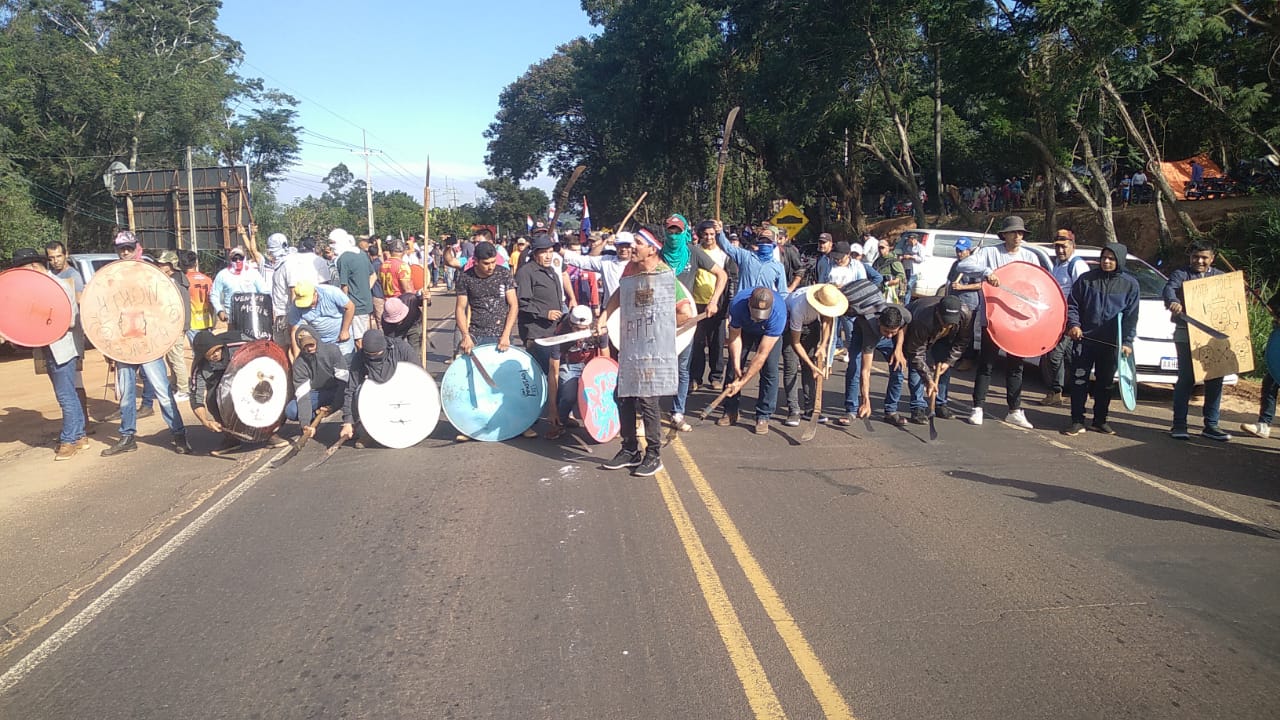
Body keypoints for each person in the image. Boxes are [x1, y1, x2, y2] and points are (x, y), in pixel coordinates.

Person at [599, 226, 693, 476]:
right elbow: (621, 293)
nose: (633, 247)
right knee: (623, 395)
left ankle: (653, 454)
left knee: (648, 401)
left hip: (652, 349)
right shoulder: (630, 269)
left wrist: (660, 328)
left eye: (638, 243)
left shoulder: (664, 276)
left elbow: (685, 312)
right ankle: (630, 448)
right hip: (631, 343)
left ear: (653, 249)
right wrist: (604, 316)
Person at [955, 215, 1048, 428]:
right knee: (987, 363)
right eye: (1014, 232)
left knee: (1016, 366)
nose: (1018, 236)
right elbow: (964, 265)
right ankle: (977, 407)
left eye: (1021, 232)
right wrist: (987, 272)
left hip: (1018, 321)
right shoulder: (990, 252)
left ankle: (1015, 410)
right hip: (994, 319)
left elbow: (1037, 284)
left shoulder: (1030, 257)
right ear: (1004, 234)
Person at [9, 249, 88, 460]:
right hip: (48, 349)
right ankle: (80, 436)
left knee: (65, 396)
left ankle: (68, 440)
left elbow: (70, 321)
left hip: (64, 348)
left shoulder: (61, 287)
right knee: (68, 392)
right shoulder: (32, 291)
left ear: (34, 266)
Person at [1062, 243, 1140, 436]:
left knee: (1105, 384)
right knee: (1079, 381)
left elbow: (1131, 316)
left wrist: (1128, 342)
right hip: (1084, 341)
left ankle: (1100, 420)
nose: (1106, 261)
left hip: (1112, 344)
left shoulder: (1130, 284)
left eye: (1111, 259)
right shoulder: (1086, 280)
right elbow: (1073, 304)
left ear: (1119, 260)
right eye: (1104, 257)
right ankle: (1077, 420)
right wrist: (1074, 325)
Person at [661, 213, 727, 432]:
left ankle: (677, 412)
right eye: (670, 230)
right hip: (659, 319)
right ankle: (648, 412)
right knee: (657, 365)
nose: (673, 234)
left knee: (682, 367)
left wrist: (714, 301)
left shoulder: (693, 253)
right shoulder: (658, 255)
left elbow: (722, 275)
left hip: (686, 319)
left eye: (677, 231)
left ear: (685, 232)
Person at [1163, 240, 1231, 441]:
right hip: (1186, 333)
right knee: (1187, 379)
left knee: (1215, 379)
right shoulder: (1180, 275)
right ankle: (1179, 425)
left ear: (1212, 258)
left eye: (1204, 257)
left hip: (1213, 337)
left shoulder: (1220, 277)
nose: (1199, 261)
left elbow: (1230, 300)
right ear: (1190, 257)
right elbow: (1168, 290)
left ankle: (1211, 425)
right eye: (1195, 257)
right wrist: (1174, 302)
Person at [188, 330, 289, 456]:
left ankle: (269, 434)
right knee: (211, 399)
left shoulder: (240, 345)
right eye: (210, 354)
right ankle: (232, 438)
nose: (215, 354)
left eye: (217, 350)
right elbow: (195, 398)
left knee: (259, 394)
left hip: (248, 374)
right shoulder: (199, 368)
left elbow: (263, 349)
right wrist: (205, 421)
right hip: (219, 384)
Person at [719, 287, 788, 434]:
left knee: (770, 369)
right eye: (755, 312)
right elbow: (734, 337)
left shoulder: (779, 313)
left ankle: (763, 415)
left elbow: (761, 354)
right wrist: (737, 365)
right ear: (749, 302)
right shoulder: (737, 304)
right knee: (733, 368)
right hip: (745, 331)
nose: (757, 317)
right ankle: (730, 410)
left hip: (767, 333)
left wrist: (743, 382)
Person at [338, 328, 420, 447]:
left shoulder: (402, 349)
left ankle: (407, 424)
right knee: (358, 392)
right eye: (369, 355)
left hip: (401, 389)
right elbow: (350, 389)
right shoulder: (359, 357)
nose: (373, 357)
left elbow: (418, 378)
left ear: (384, 347)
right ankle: (368, 431)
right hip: (376, 391)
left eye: (377, 354)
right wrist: (348, 421)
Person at [781, 283, 849, 426]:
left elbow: (827, 320)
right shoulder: (799, 308)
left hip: (812, 325)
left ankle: (810, 409)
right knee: (791, 368)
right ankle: (793, 410)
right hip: (790, 327)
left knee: (809, 369)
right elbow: (795, 342)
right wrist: (812, 365)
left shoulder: (827, 296)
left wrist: (823, 345)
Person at [43, 241, 94, 428]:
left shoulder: (72, 275)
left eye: (59, 256)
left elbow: (79, 300)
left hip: (71, 335)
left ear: (66, 254)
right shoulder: (51, 276)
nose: (56, 261)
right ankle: (80, 424)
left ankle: (82, 424)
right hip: (55, 335)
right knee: (70, 382)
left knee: (74, 381)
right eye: (52, 258)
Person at [1041, 229, 1091, 406]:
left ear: (1073, 246)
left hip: (1070, 319)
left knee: (1054, 355)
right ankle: (1076, 391)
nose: (1060, 250)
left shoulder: (1077, 265)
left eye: (1064, 246)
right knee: (1070, 357)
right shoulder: (1058, 265)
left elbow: (1083, 295)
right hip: (1057, 318)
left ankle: (1056, 392)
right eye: (1057, 247)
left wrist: (1075, 321)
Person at [841, 302, 911, 427]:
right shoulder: (871, 328)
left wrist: (898, 348)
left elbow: (902, 327)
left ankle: (891, 411)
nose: (890, 335)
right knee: (855, 368)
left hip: (885, 335)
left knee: (898, 367)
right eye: (886, 331)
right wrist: (866, 400)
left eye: (892, 332)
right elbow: (866, 371)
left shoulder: (905, 315)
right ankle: (851, 411)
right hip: (861, 334)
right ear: (879, 322)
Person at [903, 295, 972, 422]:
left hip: (944, 338)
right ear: (938, 313)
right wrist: (929, 379)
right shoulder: (922, 318)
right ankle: (918, 407)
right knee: (916, 368)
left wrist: (949, 361)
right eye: (945, 320)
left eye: (951, 322)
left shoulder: (965, 314)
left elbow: (962, 341)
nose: (948, 324)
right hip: (918, 334)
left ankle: (940, 404)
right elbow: (916, 354)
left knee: (944, 368)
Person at [545, 305, 607, 440]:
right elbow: (553, 372)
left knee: (596, 395)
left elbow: (606, 360)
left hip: (591, 365)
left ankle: (600, 423)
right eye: (576, 329)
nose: (579, 333)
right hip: (569, 365)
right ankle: (560, 421)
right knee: (569, 396)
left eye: (583, 329)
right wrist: (552, 408)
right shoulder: (560, 334)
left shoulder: (599, 330)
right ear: (570, 324)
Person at [691, 221, 735, 391]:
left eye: (712, 234)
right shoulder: (694, 252)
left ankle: (716, 376)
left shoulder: (724, 253)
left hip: (718, 304)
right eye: (705, 234)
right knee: (697, 343)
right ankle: (696, 377)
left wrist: (723, 303)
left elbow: (729, 278)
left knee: (717, 342)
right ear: (700, 235)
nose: (709, 237)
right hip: (697, 303)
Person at [516, 232, 567, 374]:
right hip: (536, 333)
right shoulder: (526, 272)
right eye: (544, 252)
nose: (549, 256)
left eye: (550, 252)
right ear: (534, 253)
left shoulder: (550, 270)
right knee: (543, 373)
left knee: (553, 372)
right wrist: (545, 313)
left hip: (553, 331)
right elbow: (521, 302)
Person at [455, 240, 518, 356]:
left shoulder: (504, 274)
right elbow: (460, 308)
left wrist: (506, 334)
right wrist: (465, 336)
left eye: (493, 262)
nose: (491, 267)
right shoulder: (465, 278)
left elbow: (513, 304)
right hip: (476, 335)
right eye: (486, 263)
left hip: (502, 335)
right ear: (476, 261)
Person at [287, 324, 349, 436]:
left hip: (337, 389)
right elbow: (303, 395)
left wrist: (335, 406)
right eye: (305, 346)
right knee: (291, 410)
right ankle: (314, 418)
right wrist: (305, 424)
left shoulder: (332, 351)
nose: (309, 348)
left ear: (317, 339)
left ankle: (352, 424)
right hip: (316, 393)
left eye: (311, 344)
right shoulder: (299, 364)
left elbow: (344, 382)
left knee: (354, 393)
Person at [156, 251, 192, 402]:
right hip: (175, 324)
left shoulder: (174, 282)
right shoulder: (177, 279)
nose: (159, 266)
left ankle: (183, 389)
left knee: (175, 357)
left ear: (171, 265)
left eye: (163, 264)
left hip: (176, 325)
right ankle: (176, 385)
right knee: (171, 358)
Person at [331, 228, 377, 344]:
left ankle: (363, 361)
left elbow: (344, 286)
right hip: (366, 302)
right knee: (367, 336)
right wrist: (365, 289)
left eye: (333, 242)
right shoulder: (361, 254)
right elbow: (373, 276)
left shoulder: (343, 259)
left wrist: (343, 304)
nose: (332, 246)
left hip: (355, 306)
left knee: (358, 340)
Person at [288, 280, 355, 357]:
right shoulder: (296, 305)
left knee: (346, 364)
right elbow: (295, 330)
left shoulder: (331, 292)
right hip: (321, 343)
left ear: (315, 294)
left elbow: (350, 307)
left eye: (310, 302)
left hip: (341, 340)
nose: (309, 305)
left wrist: (345, 330)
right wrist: (297, 358)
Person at [716, 221, 787, 292]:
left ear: (774, 244)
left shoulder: (778, 267)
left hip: (765, 301)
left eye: (768, 242)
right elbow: (728, 247)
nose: (765, 243)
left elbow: (783, 293)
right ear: (758, 242)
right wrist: (719, 233)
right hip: (743, 301)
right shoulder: (745, 256)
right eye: (762, 241)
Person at [562, 231, 633, 303]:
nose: (623, 249)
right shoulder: (606, 261)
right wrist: (559, 250)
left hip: (632, 309)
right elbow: (582, 260)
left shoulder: (639, 263)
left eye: (627, 246)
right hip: (609, 309)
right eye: (620, 246)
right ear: (615, 246)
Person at [211, 246, 268, 333]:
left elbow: (265, 292)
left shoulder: (253, 273)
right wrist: (219, 311)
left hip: (253, 316)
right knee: (235, 343)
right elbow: (214, 294)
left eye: (240, 258)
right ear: (230, 260)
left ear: (244, 258)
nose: (238, 261)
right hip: (232, 318)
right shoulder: (222, 275)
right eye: (235, 259)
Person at [381, 292, 427, 365]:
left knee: (416, 351)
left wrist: (427, 298)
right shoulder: (386, 324)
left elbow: (425, 302)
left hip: (414, 323)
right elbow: (392, 343)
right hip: (396, 331)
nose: (398, 321)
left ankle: (418, 370)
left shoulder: (411, 299)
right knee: (396, 351)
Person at [896, 232, 932, 300]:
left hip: (914, 271)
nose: (908, 241)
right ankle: (903, 300)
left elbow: (922, 259)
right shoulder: (906, 246)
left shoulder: (920, 247)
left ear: (914, 240)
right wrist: (902, 257)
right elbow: (902, 253)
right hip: (906, 268)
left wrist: (911, 257)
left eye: (909, 239)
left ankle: (906, 303)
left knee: (908, 286)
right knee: (903, 286)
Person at [873, 238, 907, 303]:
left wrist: (893, 281)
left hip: (892, 290)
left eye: (882, 248)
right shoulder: (877, 261)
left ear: (888, 248)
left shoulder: (893, 260)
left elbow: (901, 275)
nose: (880, 250)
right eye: (879, 248)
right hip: (880, 289)